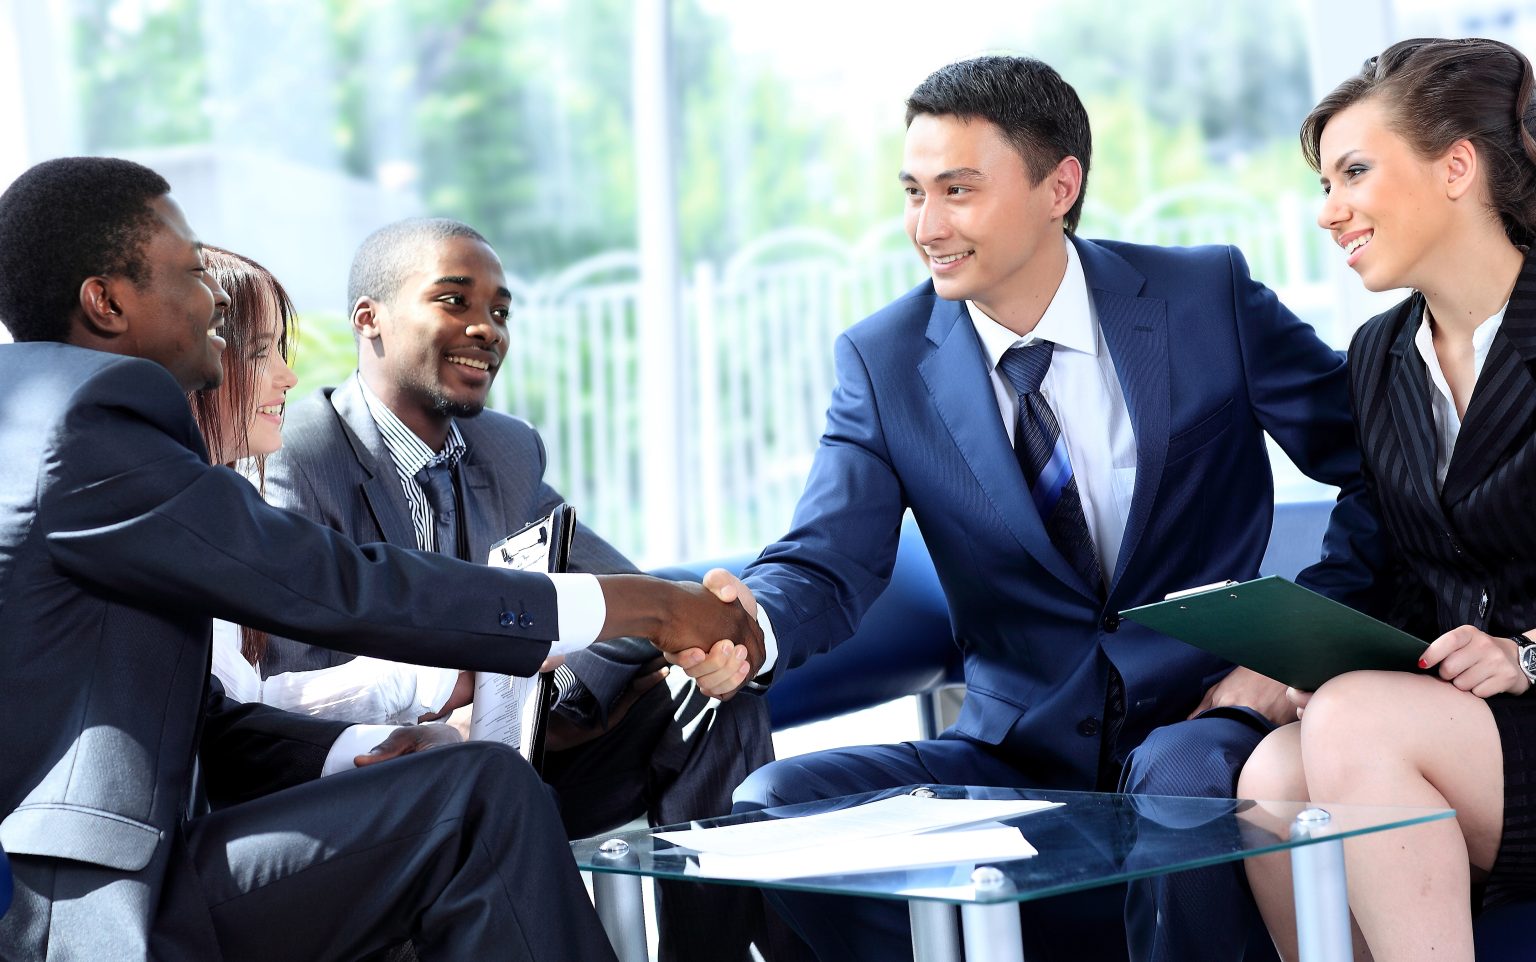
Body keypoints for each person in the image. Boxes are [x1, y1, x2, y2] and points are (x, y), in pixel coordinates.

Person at [702, 55, 1382, 962]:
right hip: (1010, 759)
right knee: (771, 810)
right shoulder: (882, 360)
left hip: (1199, 726)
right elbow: (827, 558)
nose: (926, 226)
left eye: (958, 190)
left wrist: (1289, 652)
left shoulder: (1202, 298)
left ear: (1059, 186)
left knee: (1175, 782)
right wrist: (751, 624)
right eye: (913, 192)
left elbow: (1382, 471)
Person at [0, 156, 760, 961]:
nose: (212, 296)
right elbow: (334, 585)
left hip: (155, 867)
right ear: (107, 302)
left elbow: (209, 727)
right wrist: (648, 606)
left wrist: (359, 751)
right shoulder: (87, 425)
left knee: (467, 789)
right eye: (191, 272)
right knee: (477, 801)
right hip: (101, 910)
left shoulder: (45, 418)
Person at [256, 216, 799, 962]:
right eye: (454, 301)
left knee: (714, 700)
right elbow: (292, 681)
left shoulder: (503, 448)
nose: (486, 329)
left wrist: (558, 701)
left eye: (500, 312)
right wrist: (447, 716)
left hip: (519, 750)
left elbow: (624, 599)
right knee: (488, 786)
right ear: (369, 319)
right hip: (392, 773)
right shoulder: (299, 457)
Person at [1238, 37, 1536, 962]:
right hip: (1471, 725)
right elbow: (1398, 566)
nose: (1331, 213)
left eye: (1354, 173)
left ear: (1457, 167)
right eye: (1325, 185)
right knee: (1273, 770)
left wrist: (1530, 652)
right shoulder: (1378, 356)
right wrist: (1309, 654)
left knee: (1355, 723)